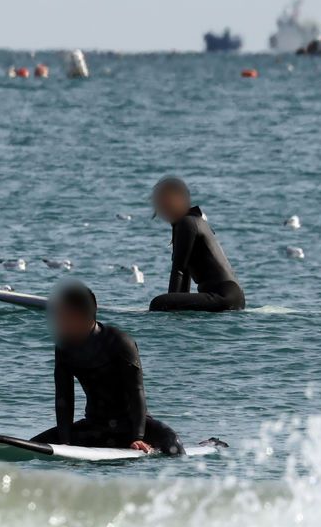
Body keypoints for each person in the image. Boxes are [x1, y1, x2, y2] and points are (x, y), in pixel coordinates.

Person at [32, 282, 184, 455]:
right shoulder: (64, 347)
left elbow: (137, 392)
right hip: (96, 427)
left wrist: (138, 437)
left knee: (173, 444)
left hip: (131, 426)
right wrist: (65, 442)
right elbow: (64, 397)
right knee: (33, 445)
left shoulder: (120, 342)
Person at [149, 176, 245, 313]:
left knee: (158, 303)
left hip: (225, 297)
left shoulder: (186, 223)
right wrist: (175, 304)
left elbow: (179, 270)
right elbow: (185, 273)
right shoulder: (190, 221)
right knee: (163, 302)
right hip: (232, 296)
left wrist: (168, 308)